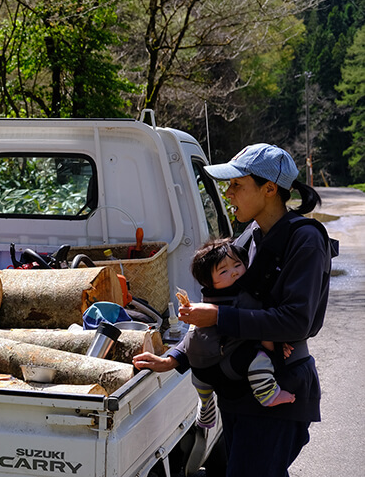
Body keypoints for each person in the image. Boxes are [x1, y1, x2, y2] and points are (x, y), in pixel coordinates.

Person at [133, 143, 335, 477]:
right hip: (239, 390)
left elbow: (297, 321)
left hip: (278, 389)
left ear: (269, 189)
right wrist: (174, 358)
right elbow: (217, 307)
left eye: (237, 185)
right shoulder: (251, 235)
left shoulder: (306, 240)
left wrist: (219, 318)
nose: (228, 194)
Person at [178, 238, 295, 431]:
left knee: (202, 386)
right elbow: (259, 322)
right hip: (223, 360)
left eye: (238, 265)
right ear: (209, 281)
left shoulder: (206, 297)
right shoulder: (242, 296)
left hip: (198, 365)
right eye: (223, 271)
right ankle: (268, 394)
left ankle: (205, 406)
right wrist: (276, 342)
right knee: (259, 359)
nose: (234, 272)